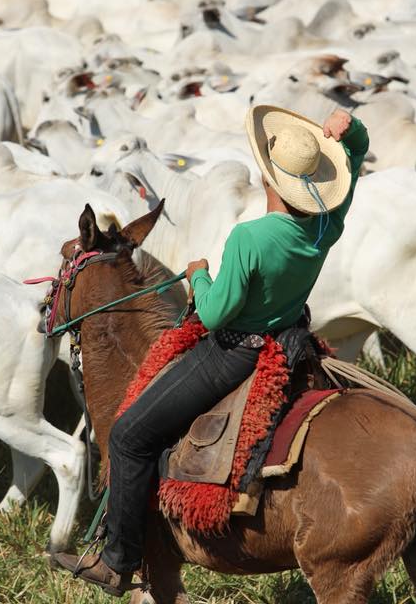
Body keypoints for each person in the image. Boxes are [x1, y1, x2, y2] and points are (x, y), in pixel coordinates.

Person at [52, 105, 370, 596]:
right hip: (290, 338)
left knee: (130, 435)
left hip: (235, 351)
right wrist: (351, 135)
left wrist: (199, 273)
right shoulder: (328, 224)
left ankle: (117, 560)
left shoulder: (251, 237)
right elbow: (358, 155)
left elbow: (218, 313)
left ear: (267, 177)